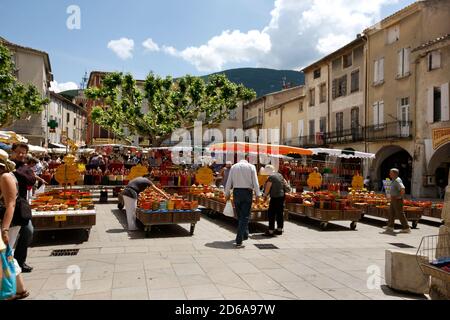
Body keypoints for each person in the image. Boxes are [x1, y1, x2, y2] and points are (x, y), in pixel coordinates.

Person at [0, 150, 29, 299]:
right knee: (7, 255)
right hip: (6, 222)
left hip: (8, 223)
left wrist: (4, 229)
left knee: (5, 255)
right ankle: (19, 288)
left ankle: (9, 290)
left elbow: (10, 205)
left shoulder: (5, 177)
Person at [9, 143, 35, 273]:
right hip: (5, 205)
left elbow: (31, 180)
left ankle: (19, 261)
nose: (21, 154)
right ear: (12, 151)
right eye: (18, 152)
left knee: (28, 231)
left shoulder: (25, 168)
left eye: (23, 152)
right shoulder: (4, 165)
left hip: (20, 207)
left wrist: (15, 172)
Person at [225, 157, 261, 248]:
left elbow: (229, 181)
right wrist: (258, 194)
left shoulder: (234, 167)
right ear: (247, 160)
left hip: (236, 192)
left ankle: (245, 234)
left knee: (240, 215)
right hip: (247, 192)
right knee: (245, 216)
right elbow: (255, 182)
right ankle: (239, 240)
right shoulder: (251, 167)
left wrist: (227, 193)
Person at [263, 165, 290, 237]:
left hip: (275, 197)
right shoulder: (279, 175)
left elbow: (268, 188)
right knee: (280, 213)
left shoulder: (271, 177)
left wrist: (264, 196)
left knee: (271, 213)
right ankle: (279, 229)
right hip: (282, 197)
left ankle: (271, 230)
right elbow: (285, 183)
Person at [384, 168, 411, 233]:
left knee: (400, 213)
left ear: (394, 174)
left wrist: (400, 196)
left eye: (391, 173)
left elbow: (402, 188)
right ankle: (390, 227)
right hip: (393, 198)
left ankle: (406, 228)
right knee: (391, 212)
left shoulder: (397, 180)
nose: (389, 174)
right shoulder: (393, 180)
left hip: (397, 199)